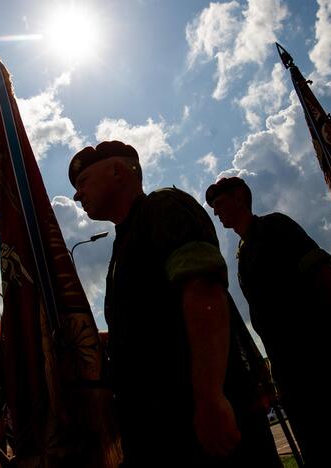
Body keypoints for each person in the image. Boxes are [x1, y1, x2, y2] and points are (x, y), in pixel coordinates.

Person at [69, 141, 281, 468]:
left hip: (194, 424)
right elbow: (150, 326)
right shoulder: (122, 244)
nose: (77, 195)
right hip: (162, 430)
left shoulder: (162, 207)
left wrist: (210, 397)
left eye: (82, 182)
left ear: (117, 171)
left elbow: (203, 289)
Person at [205, 177, 331, 467]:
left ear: (239, 198)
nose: (217, 212)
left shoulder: (275, 227)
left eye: (219, 204)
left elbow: (322, 271)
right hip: (287, 365)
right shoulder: (242, 251)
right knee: (317, 444)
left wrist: (328, 330)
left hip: (317, 354)